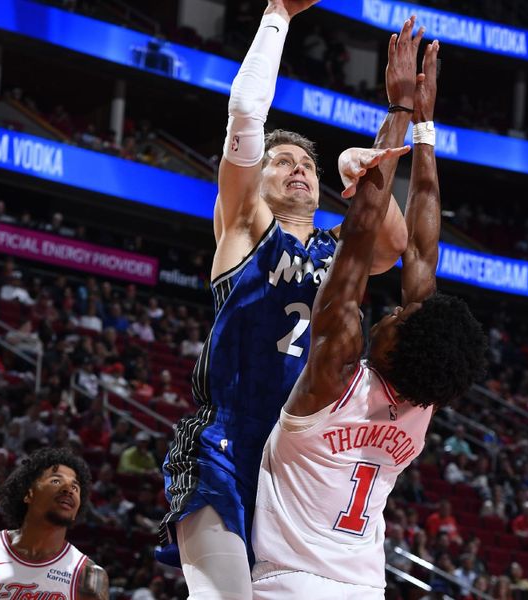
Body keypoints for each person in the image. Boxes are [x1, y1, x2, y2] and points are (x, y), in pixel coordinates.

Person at [158, 0, 409, 593]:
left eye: (308, 164)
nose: (300, 169)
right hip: (227, 442)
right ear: (258, 179)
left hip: (300, 461)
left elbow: (392, 245)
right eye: (284, 161)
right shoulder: (245, 227)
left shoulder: (337, 255)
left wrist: (365, 178)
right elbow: (245, 112)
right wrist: (278, 15)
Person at [251, 27, 486, 597]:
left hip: (291, 585)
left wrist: (401, 111)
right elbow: (423, 252)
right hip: (364, 586)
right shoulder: (420, 408)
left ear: (396, 347)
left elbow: (355, 248)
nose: (392, 314)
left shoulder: (333, 375)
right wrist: (426, 136)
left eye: (398, 323)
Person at [0, 448, 107, 600]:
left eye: (75, 487)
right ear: (28, 494)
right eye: (56, 480)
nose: (68, 489)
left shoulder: (88, 574)